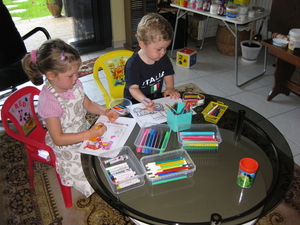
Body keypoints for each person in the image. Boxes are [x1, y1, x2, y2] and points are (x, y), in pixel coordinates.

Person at [22, 38, 119, 198]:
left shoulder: (75, 84)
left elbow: (88, 104)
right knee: (91, 176)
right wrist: (88, 135)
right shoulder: (49, 101)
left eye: (76, 73)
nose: (76, 78)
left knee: (113, 152)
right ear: (51, 75)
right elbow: (59, 139)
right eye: (71, 75)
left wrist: (105, 111)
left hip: (83, 131)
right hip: (66, 146)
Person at [124, 13, 180, 111]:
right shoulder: (133, 64)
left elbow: (168, 73)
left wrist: (170, 87)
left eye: (165, 48)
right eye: (159, 49)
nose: (163, 52)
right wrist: (145, 100)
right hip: (136, 101)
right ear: (142, 44)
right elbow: (133, 88)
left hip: (154, 97)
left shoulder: (162, 58)